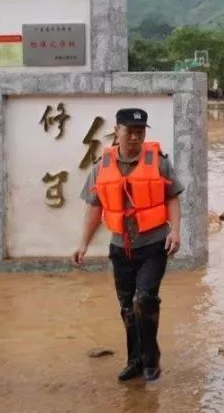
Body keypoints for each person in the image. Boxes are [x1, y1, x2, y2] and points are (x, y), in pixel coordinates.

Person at [72, 108, 185, 383]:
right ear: (117, 131)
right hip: (120, 248)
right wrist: (82, 244)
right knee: (126, 307)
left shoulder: (158, 161)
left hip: (153, 244)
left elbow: (172, 198)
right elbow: (94, 207)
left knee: (143, 300)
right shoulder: (102, 166)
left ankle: (150, 358)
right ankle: (134, 360)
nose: (135, 137)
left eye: (140, 132)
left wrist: (176, 232)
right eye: (129, 131)